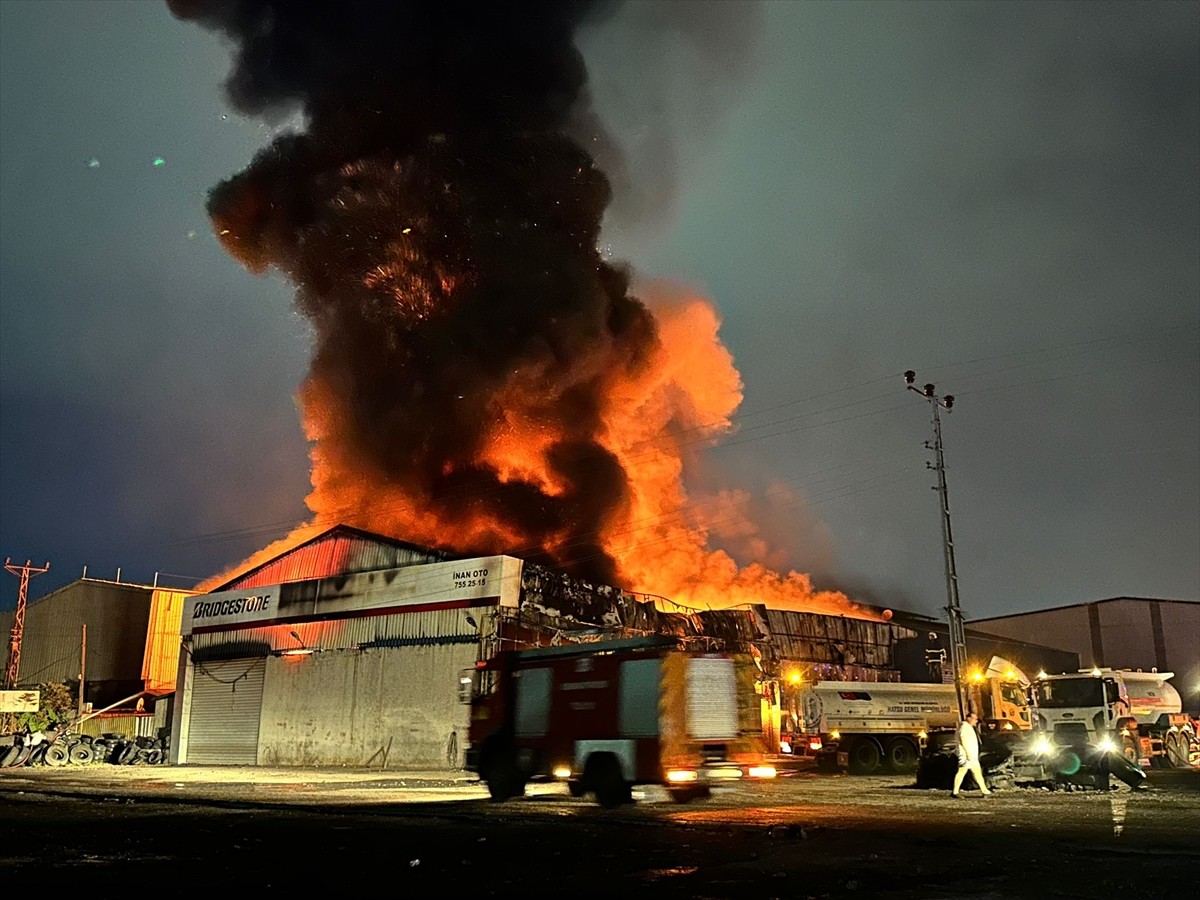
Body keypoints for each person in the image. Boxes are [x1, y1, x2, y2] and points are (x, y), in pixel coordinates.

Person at [952, 712, 992, 797]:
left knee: (976, 772)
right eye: (975, 719)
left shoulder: (967, 727)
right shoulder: (965, 728)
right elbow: (964, 741)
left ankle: (984, 790)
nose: (976, 721)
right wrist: (968, 754)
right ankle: (955, 791)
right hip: (967, 755)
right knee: (963, 772)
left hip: (970, 755)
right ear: (969, 718)